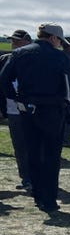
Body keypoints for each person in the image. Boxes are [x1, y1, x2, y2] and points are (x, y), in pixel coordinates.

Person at [0, 23, 70, 215]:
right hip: (52, 110)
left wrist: (14, 98)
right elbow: (66, 88)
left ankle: (37, 195)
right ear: (54, 38)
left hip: (26, 108)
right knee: (51, 155)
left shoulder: (20, 53)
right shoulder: (61, 57)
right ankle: (49, 199)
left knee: (32, 151)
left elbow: (3, 79)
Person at [0, 29, 34, 192]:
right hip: (12, 109)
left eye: (18, 41)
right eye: (13, 41)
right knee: (19, 146)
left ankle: (36, 177)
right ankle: (26, 178)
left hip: (33, 109)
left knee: (33, 145)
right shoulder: (5, 59)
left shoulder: (35, 59)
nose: (14, 44)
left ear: (28, 41)